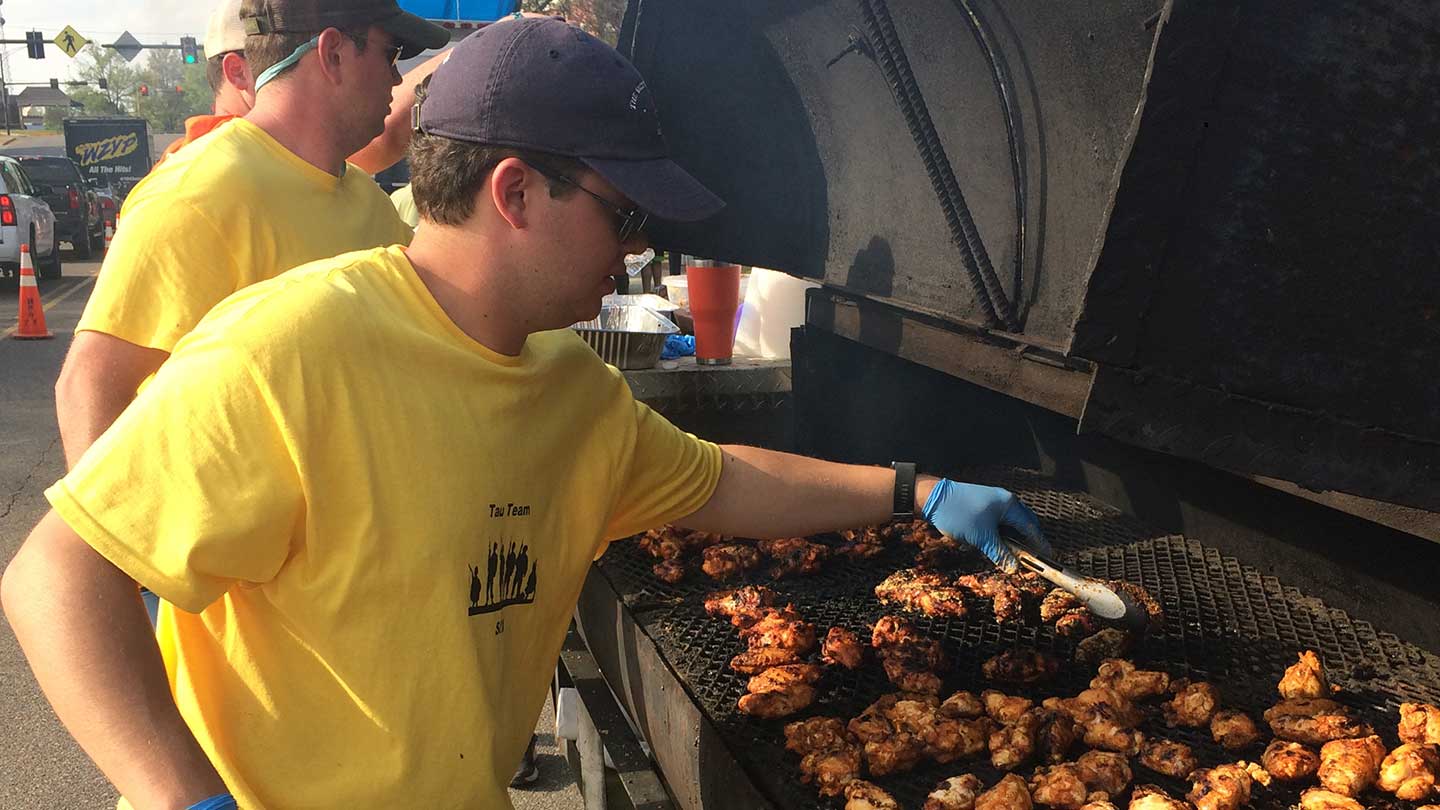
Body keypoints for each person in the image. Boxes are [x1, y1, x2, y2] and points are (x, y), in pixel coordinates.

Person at [2, 18, 1050, 809]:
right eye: (622, 213)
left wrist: (921, 491)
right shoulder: (287, 354)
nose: (635, 249)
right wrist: (184, 797)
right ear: (515, 193)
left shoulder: (570, 389)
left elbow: (720, 481)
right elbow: (56, 578)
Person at [54, 0, 449, 471]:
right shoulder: (199, 192)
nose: (396, 79)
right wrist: (116, 541)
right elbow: (91, 382)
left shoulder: (363, 197)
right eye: (391, 53)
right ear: (333, 54)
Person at [158, 0, 450, 173]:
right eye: (390, 55)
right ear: (236, 71)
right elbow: (383, 141)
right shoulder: (195, 184)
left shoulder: (343, 185)